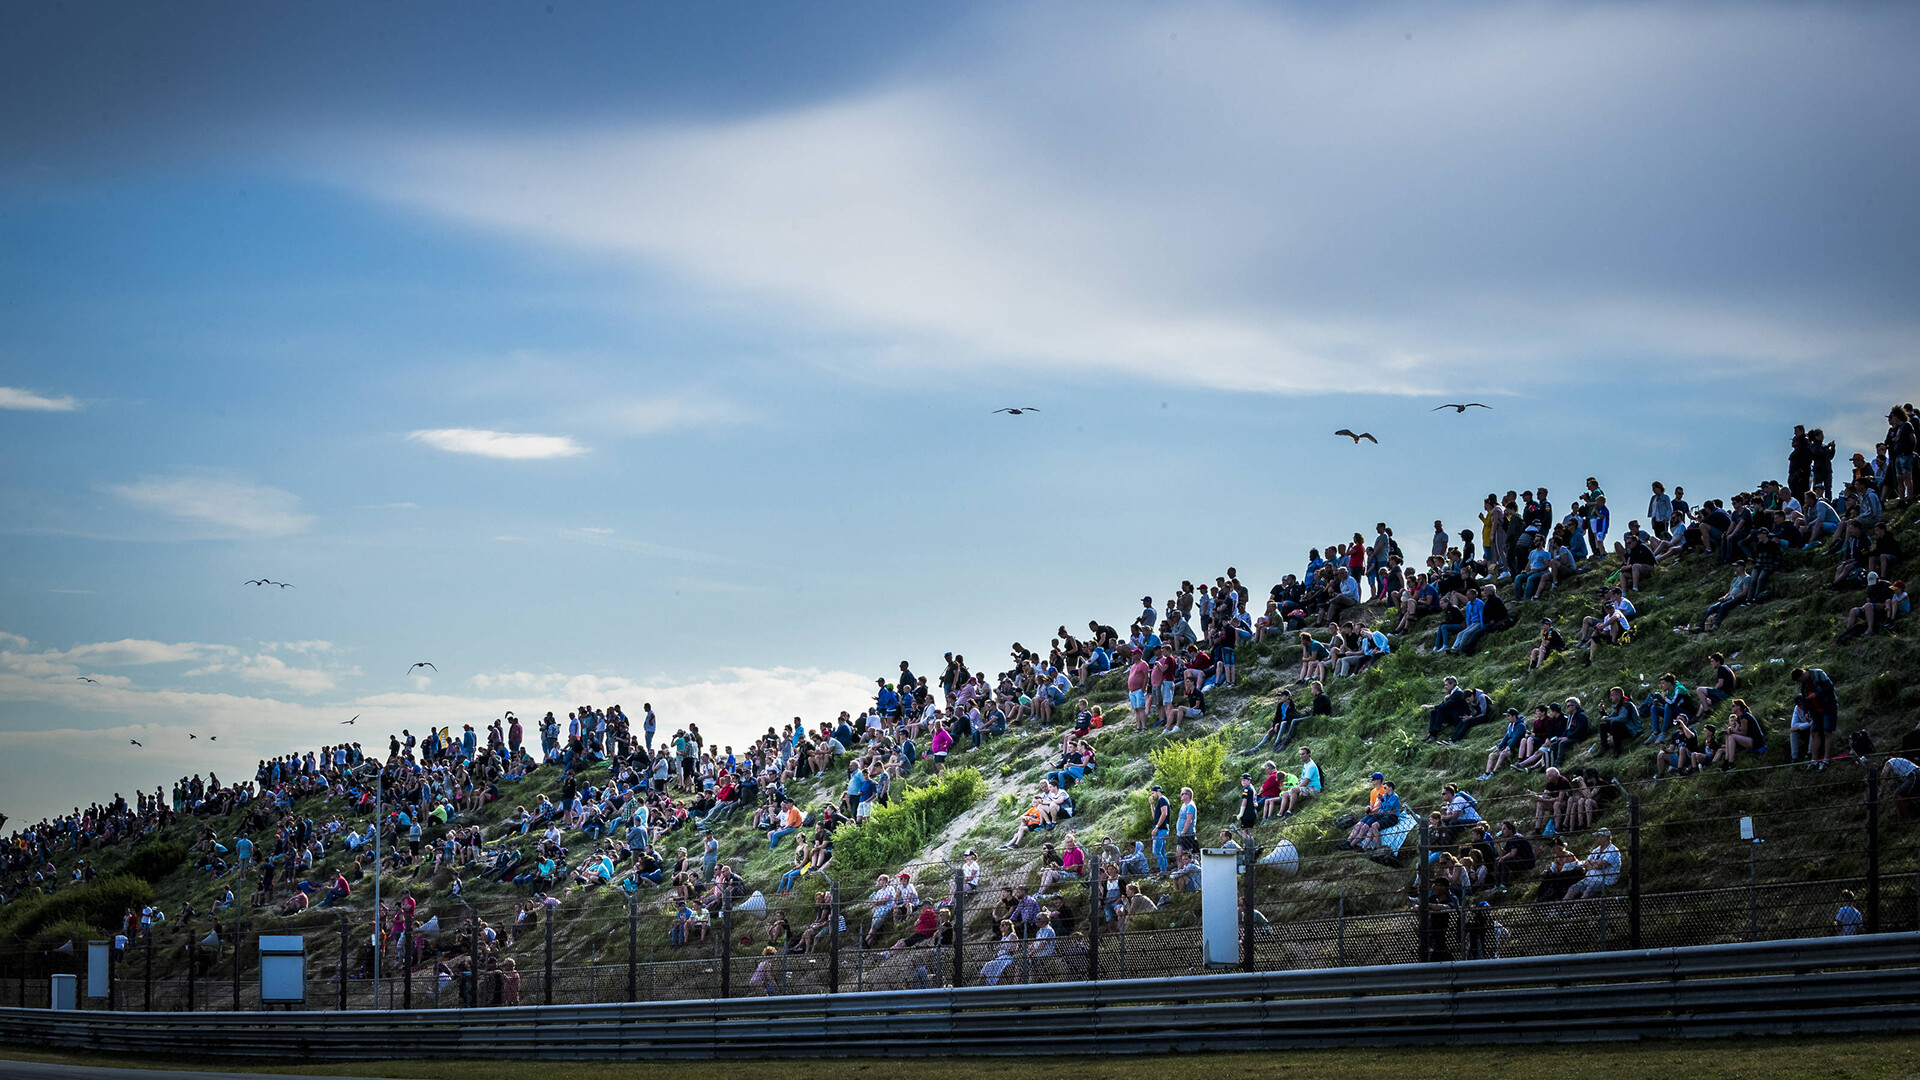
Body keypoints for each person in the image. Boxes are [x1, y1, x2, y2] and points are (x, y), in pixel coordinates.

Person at [1561, 829, 1621, 900]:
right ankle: (1561, 909)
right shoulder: (1596, 850)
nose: (1596, 838)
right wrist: (1595, 864)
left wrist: (1592, 863)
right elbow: (1586, 862)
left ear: (1605, 837)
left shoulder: (1613, 850)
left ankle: (1575, 910)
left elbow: (1602, 864)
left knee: (1587, 892)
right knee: (1572, 889)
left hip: (1604, 880)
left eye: (1598, 836)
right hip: (1590, 878)